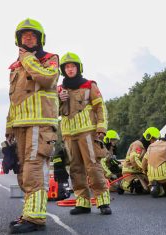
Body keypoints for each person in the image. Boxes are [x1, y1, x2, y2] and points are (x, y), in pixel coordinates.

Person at [5, 18, 59, 234]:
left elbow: (47, 79)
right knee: (23, 172)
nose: (28, 37)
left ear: (40, 39)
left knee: (34, 169)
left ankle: (35, 219)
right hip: (20, 125)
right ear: (18, 39)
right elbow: (14, 99)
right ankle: (29, 212)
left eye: (32, 35)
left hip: (40, 122)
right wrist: (9, 128)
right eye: (24, 35)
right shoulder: (15, 67)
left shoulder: (49, 59)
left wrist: (27, 59)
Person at [57, 52, 111, 215]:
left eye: (73, 66)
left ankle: (103, 201)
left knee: (93, 167)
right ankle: (83, 203)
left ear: (78, 68)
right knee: (75, 169)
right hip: (68, 134)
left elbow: (100, 107)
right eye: (67, 67)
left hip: (88, 133)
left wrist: (101, 129)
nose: (70, 69)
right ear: (63, 70)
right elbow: (53, 112)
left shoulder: (89, 85)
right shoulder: (59, 89)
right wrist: (59, 99)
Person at [118, 127, 160, 194]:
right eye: (154, 139)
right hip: (131, 170)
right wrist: (144, 169)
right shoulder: (138, 145)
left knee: (151, 186)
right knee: (139, 188)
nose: (154, 141)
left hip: (139, 171)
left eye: (156, 139)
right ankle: (123, 184)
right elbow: (134, 159)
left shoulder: (147, 147)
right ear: (148, 137)